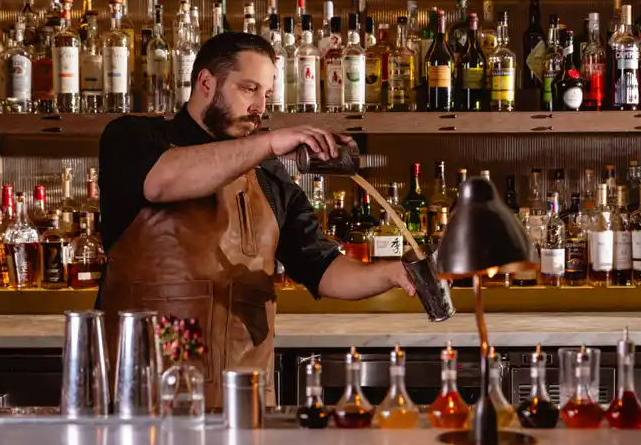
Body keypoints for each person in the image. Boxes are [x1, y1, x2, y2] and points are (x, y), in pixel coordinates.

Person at [98, 32, 416, 408]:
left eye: (266, 94)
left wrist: (392, 273)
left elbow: (322, 267)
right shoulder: (134, 137)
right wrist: (270, 142)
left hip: (243, 406)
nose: (259, 107)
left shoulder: (268, 176)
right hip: (142, 402)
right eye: (249, 89)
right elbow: (161, 182)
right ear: (205, 83)